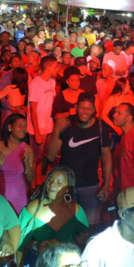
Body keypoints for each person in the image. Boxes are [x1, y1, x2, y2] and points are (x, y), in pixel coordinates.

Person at [46, 93, 113, 230]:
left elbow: (106, 157)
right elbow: (51, 155)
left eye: (89, 108)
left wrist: (106, 184)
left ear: (94, 110)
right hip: (67, 186)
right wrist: (57, 131)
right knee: (66, 227)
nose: (85, 112)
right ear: (76, 107)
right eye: (82, 107)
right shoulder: (66, 124)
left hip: (90, 186)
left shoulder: (101, 128)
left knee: (88, 228)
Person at [17, 167, 90, 267]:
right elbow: (18, 245)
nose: (52, 185)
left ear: (68, 189)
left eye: (59, 183)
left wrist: (83, 239)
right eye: (50, 180)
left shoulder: (77, 212)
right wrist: (36, 245)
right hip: (35, 266)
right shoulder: (33, 209)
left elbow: (86, 240)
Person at [0, 114, 36, 215]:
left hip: (18, 197)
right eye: (20, 125)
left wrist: (26, 163)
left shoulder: (27, 149)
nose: (23, 128)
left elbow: (31, 179)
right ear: (9, 127)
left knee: (16, 227)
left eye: (25, 126)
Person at [29, 56, 58, 186]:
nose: (58, 69)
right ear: (48, 68)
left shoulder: (52, 82)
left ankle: (39, 182)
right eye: (56, 66)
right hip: (38, 128)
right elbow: (32, 109)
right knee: (35, 158)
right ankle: (32, 185)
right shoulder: (35, 83)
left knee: (42, 158)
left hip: (49, 126)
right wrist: (37, 131)